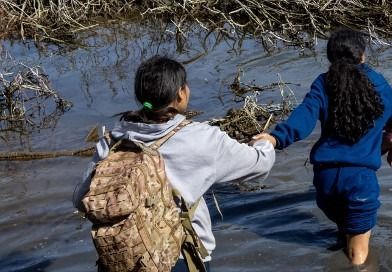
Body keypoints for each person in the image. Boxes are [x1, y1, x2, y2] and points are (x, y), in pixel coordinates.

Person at [73, 56, 276, 272]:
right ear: (180, 94)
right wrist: (265, 143)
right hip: (178, 259)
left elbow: (81, 200)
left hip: (122, 260)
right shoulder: (202, 139)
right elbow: (260, 164)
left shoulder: (113, 140)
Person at [254, 28, 392, 266]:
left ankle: (386, 142)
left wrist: (275, 138)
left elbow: (304, 119)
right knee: (358, 258)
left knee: (343, 237)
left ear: (330, 57)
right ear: (362, 56)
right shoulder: (376, 81)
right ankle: (388, 141)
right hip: (359, 181)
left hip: (325, 181)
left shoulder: (323, 83)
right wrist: (387, 123)